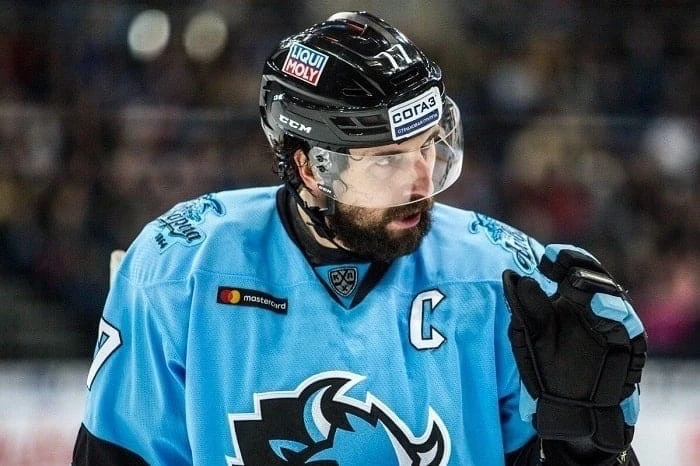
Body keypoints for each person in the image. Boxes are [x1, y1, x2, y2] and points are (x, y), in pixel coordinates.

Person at [72, 11, 647, 465]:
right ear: (309, 168)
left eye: (428, 147)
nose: (422, 180)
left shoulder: (506, 282)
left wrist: (589, 451)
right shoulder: (177, 272)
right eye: (388, 159)